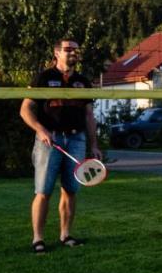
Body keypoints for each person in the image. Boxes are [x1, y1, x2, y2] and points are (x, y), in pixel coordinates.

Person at [19, 38, 101, 254]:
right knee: (43, 191)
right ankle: (38, 239)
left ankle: (66, 235)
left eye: (76, 49)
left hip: (76, 140)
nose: (73, 52)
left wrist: (94, 144)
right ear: (56, 53)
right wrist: (40, 129)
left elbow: (89, 115)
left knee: (71, 191)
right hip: (50, 141)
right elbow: (25, 109)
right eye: (68, 49)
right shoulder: (43, 78)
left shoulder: (83, 82)